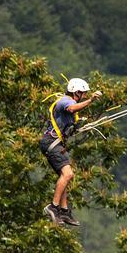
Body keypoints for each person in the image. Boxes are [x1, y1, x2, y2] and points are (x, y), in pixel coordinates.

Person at [40, 77, 100, 226]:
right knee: (68, 174)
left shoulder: (68, 102)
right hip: (52, 143)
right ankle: (53, 207)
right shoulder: (67, 101)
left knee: (64, 176)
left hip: (55, 144)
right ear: (76, 92)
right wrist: (91, 100)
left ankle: (64, 211)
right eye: (83, 93)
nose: (84, 96)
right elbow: (72, 108)